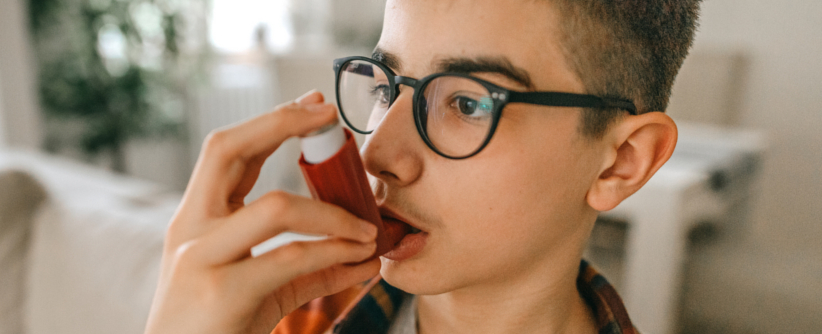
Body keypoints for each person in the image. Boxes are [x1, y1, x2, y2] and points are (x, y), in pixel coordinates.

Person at [144, 0, 701, 333]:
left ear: (620, 164)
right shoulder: (289, 317)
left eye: (467, 103)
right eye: (385, 88)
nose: (377, 156)